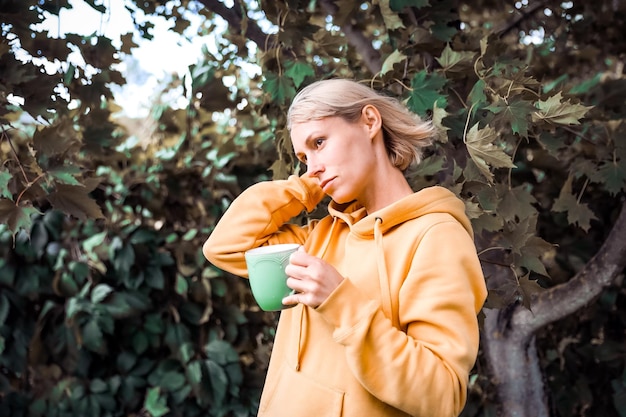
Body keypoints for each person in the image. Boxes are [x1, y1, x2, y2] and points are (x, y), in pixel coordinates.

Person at [203, 78, 488, 417]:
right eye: (304, 157)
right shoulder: (318, 238)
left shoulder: (435, 236)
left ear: (370, 121)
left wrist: (341, 302)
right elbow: (225, 246)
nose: (313, 166)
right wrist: (307, 186)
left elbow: (442, 394)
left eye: (320, 142)